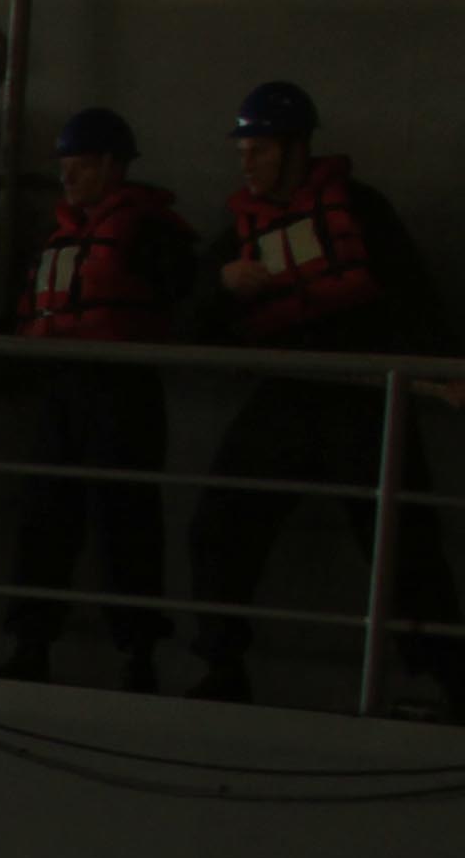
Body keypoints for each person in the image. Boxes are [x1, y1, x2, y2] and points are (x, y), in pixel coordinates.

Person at [187, 77, 459, 701]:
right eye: (242, 151)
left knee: (403, 541)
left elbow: (413, 295)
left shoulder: (361, 210)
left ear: (295, 147)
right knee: (218, 526)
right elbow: (190, 319)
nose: (247, 161)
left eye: (258, 148)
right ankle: (222, 666)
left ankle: (447, 680)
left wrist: (444, 373)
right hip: (287, 395)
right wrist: (222, 286)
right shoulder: (239, 236)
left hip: (364, 398)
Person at [0, 106, 196, 692]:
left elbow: (188, 301)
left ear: (113, 165)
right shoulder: (65, 235)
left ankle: (138, 655)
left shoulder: (154, 231)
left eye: (79, 166)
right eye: (65, 168)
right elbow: (30, 308)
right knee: (44, 520)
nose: (68, 178)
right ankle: (31, 644)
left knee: (126, 525)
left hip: (122, 391)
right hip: (62, 389)